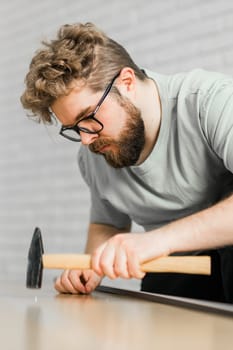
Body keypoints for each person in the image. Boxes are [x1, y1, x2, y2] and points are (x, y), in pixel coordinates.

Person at [21, 22, 233, 303]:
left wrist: (156, 241)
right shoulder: (94, 149)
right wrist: (90, 267)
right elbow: (108, 224)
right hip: (178, 268)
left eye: (89, 117)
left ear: (127, 83)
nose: (86, 139)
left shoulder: (211, 101)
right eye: (74, 128)